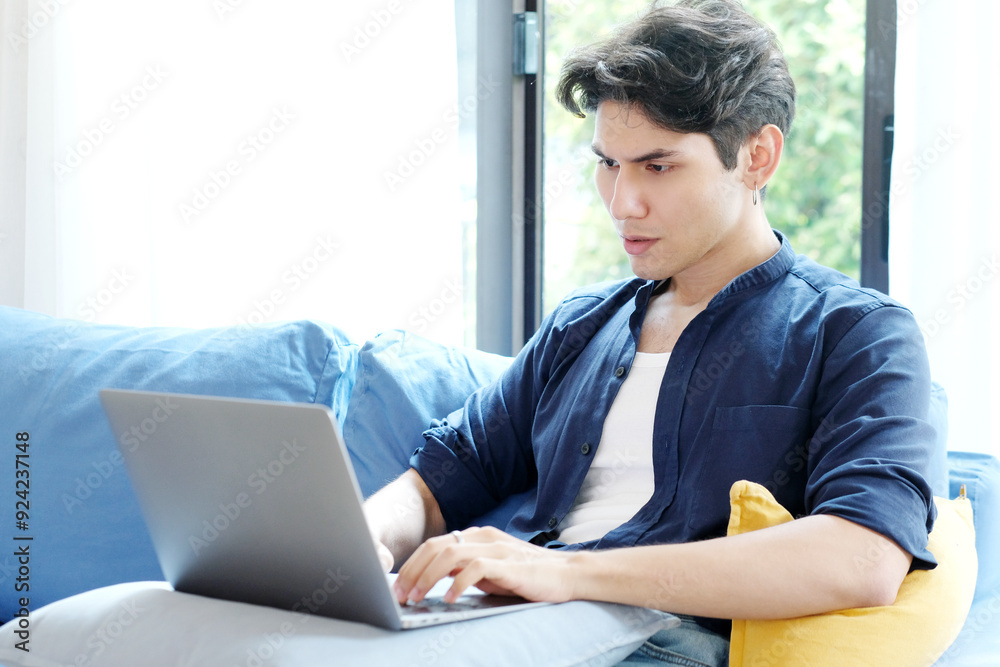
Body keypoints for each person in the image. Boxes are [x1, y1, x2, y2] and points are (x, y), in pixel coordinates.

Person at [364, 0, 937, 663]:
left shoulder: (859, 334)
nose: (621, 203)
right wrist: (364, 540)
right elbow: (440, 479)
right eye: (609, 163)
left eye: (657, 167)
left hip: (659, 642)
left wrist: (565, 574)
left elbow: (864, 555)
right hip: (514, 627)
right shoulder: (579, 326)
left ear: (757, 157)